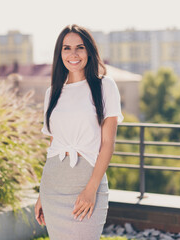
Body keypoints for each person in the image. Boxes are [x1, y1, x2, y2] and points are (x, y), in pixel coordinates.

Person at [34, 24, 124, 240]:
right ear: (60, 53)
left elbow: (108, 144)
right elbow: (53, 143)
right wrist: (41, 195)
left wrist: (91, 189)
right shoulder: (52, 93)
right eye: (66, 48)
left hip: (87, 182)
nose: (73, 54)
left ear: (89, 51)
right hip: (53, 184)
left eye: (80, 47)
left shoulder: (105, 87)